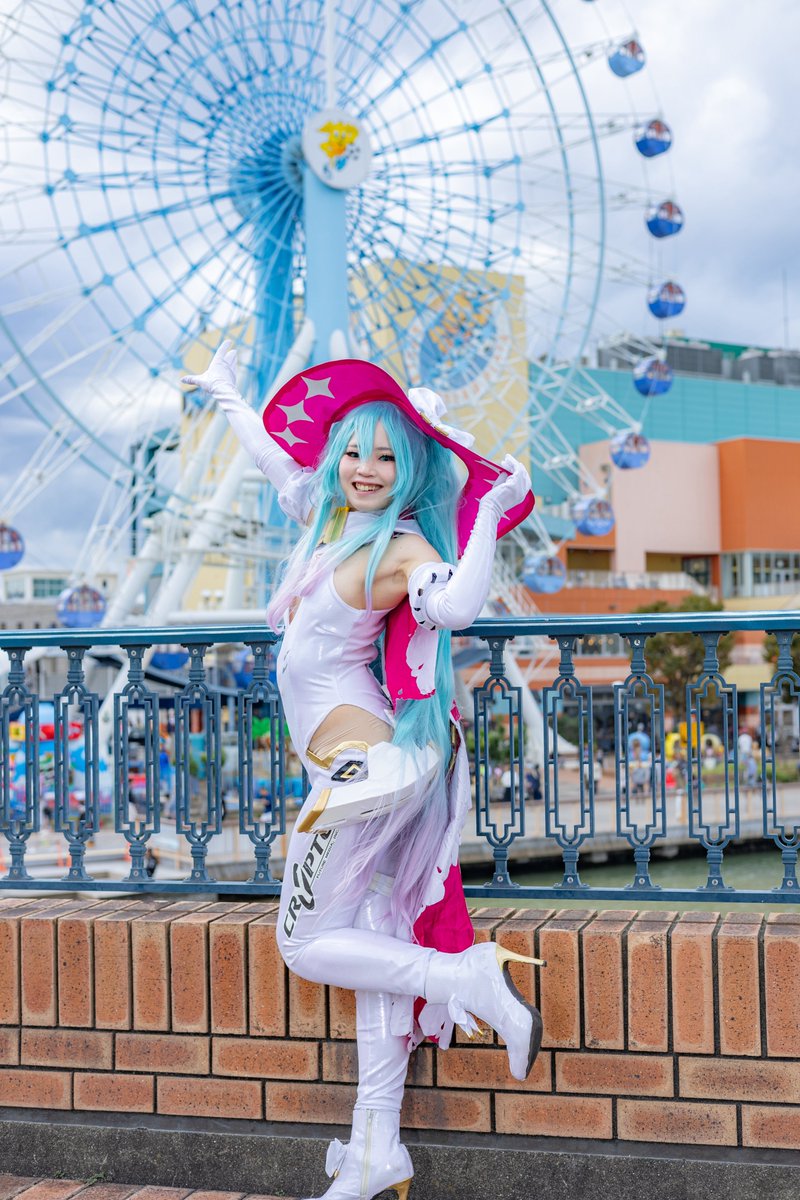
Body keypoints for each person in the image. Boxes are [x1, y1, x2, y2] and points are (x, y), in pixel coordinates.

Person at [182, 342, 542, 1200]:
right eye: (352, 451)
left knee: (304, 942)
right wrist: (227, 394)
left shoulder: (403, 547)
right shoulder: (329, 521)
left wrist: (488, 512)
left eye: (386, 455)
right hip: (361, 770)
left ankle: (465, 975)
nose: (365, 468)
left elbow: (455, 604)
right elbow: (277, 462)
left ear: (411, 467)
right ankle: (377, 1148)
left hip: (370, 769)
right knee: (369, 941)